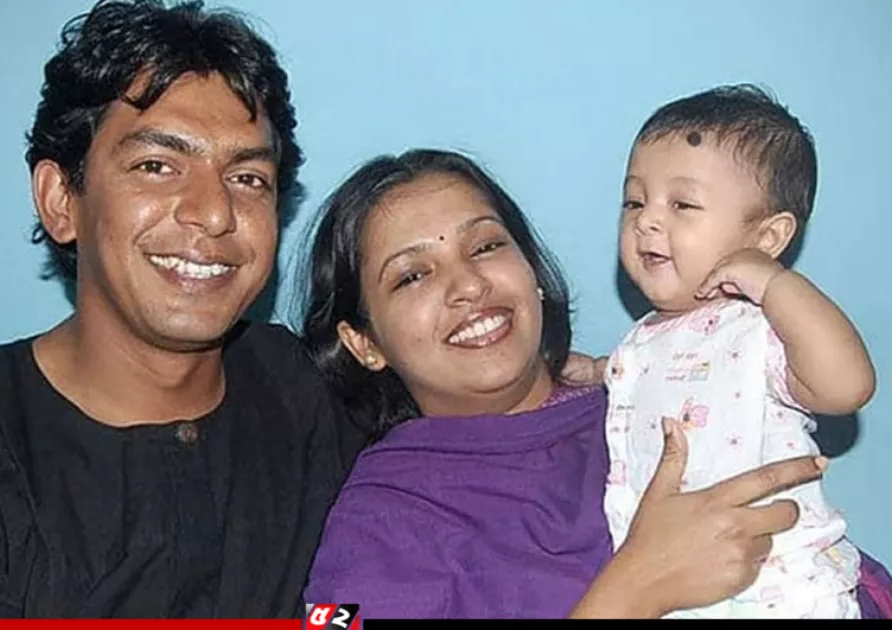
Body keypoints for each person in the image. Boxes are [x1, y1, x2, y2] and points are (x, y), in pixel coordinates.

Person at [0, 0, 368, 618]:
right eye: (156, 166)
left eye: (247, 178)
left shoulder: (312, 396)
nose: (214, 213)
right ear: (62, 200)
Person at [299, 148, 890, 619]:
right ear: (364, 342)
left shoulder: (657, 392)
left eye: (486, 245)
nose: (469, 285)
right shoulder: (381, 518)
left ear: (531, 271)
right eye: (412, 276)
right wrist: (636, 588)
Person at [600, 84, 876, 618]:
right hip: (671, 587)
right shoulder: (639, 341)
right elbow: (636, 384)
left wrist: (774, 284)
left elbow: (848, 387)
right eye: (634, 201)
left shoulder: (758, 329)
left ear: (768, 238)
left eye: (682, 204)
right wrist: (586, 370)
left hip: (780, 591)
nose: (647, 220)